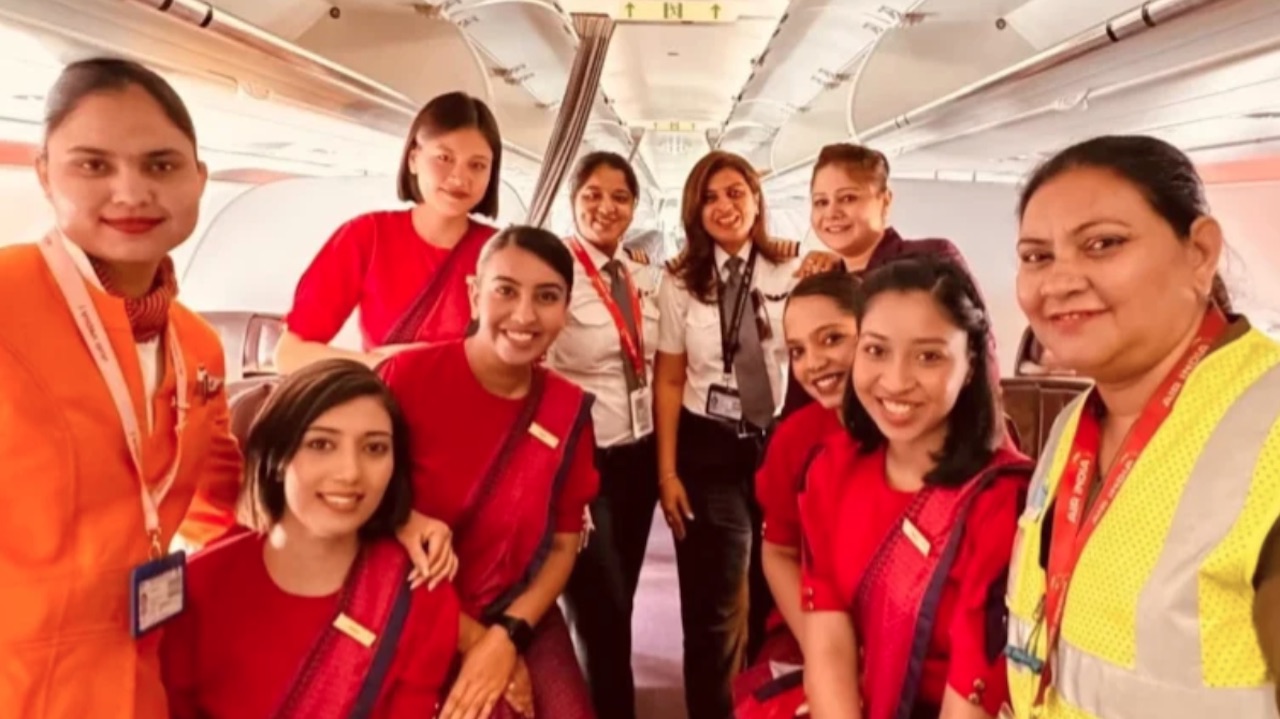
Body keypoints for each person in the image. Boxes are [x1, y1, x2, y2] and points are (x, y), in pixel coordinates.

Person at [1004, 135, 1280, 718]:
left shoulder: (1270, 429)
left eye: (1103, 244)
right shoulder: (1075, 425)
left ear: (1200, 252)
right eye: (1036, 256)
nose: (1059, 281)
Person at [0, 58, 241, 717]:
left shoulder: (195, 344)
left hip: (139, 677)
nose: (131, 192)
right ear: (45, 173)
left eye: (161, 165)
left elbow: (216, 505)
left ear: (199, 178)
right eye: (94, 165)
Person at [379, 225, 600, 719]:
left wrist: (507, 636)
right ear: (474, 295)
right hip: (407, 606)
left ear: (565, 310)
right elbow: (359, 515)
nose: (524, 315)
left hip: (516, 606)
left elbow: (564, 547)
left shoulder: (566, 409)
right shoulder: (405, 381)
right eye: (505, 291)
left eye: (547, 297)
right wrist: (478, 642)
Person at [160, 359, 460, 718]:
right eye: (321, 444)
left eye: (375, 448)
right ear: (277, 456)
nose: (350, 472)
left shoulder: (419, 596)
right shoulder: (198, 588)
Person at [802, 257, 1033, 719]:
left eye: (929, 356)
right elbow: (827, 639)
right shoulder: (833, 470)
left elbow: (973, 692)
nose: (896, 381)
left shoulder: (1002, 501)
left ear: (970, 365)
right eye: (876, 351)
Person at [654, 149, 838, 719]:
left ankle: (761, 707)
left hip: (777, 445)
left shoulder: (794, 270)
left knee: (771, 598)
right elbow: (669, 378)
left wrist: (831, 261)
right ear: (694, 211)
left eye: (736, 192)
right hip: (707, 446)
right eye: (710, 197)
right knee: (713, 609)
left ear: (757, 200)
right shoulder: (680, 282)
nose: (724, 206)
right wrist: (667, 473)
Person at [546, 151, 660, 719]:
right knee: (603, 614)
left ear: (634, 206)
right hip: (583, 465)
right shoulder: (555, 271)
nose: (606, 207)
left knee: (617, 604)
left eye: (619, 197)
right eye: (592, 193)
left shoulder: (640, 276)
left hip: (635, 462)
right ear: (573, 200)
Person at [276, 91, 502, 372]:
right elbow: (289, 354)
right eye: (444, 157)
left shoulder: (504, 252)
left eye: (477, 165)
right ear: (413, 159)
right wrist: (378, 363)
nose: (459, 177)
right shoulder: (366, 237)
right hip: (386, 406)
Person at [780, 143, 1001, 420]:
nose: (832, 212)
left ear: (885, 201)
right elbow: (800, 402)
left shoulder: (930, 259)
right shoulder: (824, 285)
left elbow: (981, 352)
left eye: (848, 198)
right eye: (820, 202)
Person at [732, 271, 859, 719]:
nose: (815, 363)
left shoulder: (913, 435)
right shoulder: (796, 440)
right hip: (809, 623)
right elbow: (779, 551)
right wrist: (822, 652)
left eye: (832, 339)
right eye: (798, 351)